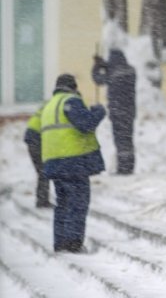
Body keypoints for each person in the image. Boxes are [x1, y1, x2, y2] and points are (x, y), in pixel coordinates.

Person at [41, 74, 106, 253]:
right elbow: (85, 124)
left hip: (54, 163)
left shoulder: (49, 106)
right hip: (72, 162)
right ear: (73, 87)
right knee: (78, 202)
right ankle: (73, 242)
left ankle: (60, 242)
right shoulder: (71, 101)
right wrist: (99, 111)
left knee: (62, 203)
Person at [92, 48, 136, 174]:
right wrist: (105, 65)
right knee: (128, 139)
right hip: (130, 111)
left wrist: (97, 65)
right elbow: (116, 71)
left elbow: (98, 79)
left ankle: (123, 168)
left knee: (120, 140)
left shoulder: (112, 72)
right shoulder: (131, 70)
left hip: (117, 111)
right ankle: (130, 166)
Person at [23, 104, 51, 208]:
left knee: (43, 171)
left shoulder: (49, 105)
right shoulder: (54, 108)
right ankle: (42, 201)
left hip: (33, 139)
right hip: (36, 139)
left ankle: (42, 199)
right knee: (44, 172)